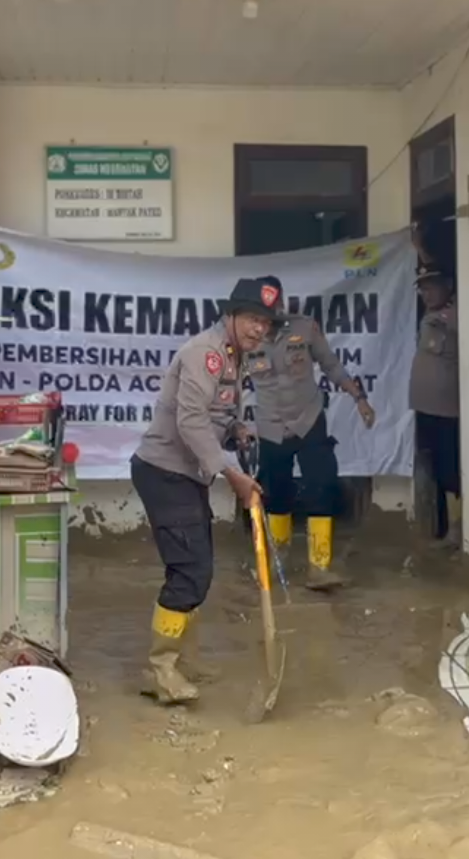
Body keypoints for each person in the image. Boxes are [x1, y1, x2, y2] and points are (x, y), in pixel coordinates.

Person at [131, 277, 281, 704]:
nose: (259, 329)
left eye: (266, 323)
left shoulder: (234, 356)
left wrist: (235, 430)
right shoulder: (206, 353)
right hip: (165, 472)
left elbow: (215, 413)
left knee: (198, 566)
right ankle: (160, 670)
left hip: (186, 475)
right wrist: (230, 474)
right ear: (230, 315)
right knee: (191, 570)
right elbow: (191, 420)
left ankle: (181, 659)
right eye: (252, 319)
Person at [247, 276, 375, 592]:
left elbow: (331, 365)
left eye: (275, 306)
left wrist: (359, 398)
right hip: (271, 427)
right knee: (276, 493)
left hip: (309, 420)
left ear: (282, 302)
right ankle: (276, 562)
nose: (269, 316)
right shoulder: (245, 338)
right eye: (263, 310)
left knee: (321, 485)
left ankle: (319, 567)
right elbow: (230, 383)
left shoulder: (304, 328)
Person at [409, 262, 461, 547]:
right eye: (422, 289)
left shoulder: (457, 315)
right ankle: (438, 528)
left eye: (431, 288)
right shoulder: (427, 316)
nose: (426, 294)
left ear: (448, 286)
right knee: (433, 469)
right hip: (425, 409)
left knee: (450, 470)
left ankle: (455, 530)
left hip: (448, 411)